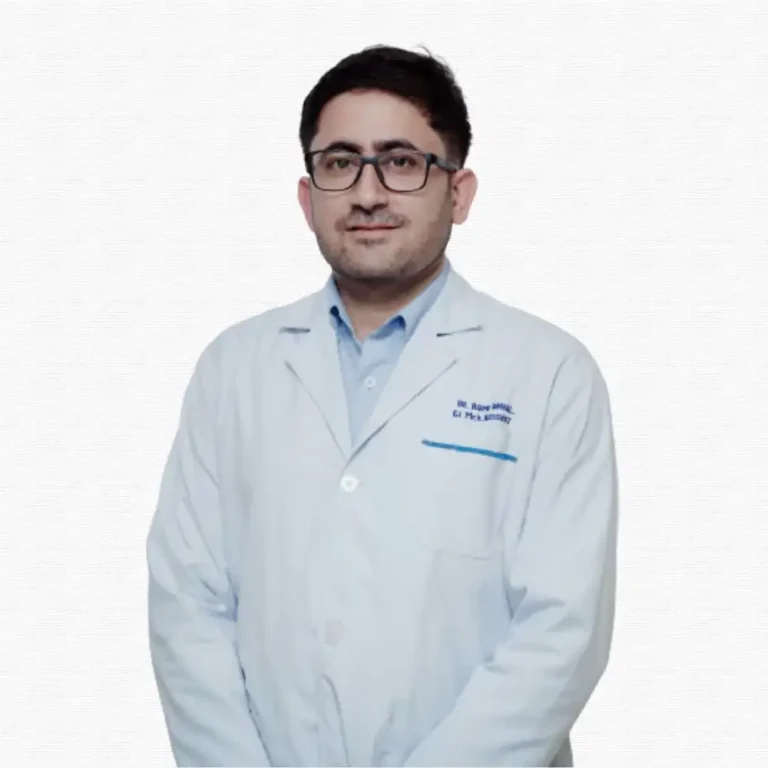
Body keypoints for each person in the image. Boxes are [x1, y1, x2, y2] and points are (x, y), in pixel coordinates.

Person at [146, 44, 619, 768]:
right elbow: (188, 605)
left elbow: (563, 631)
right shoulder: (234, 367)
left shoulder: (550, 373)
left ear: (459, 192)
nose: (368, 193)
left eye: (401, 161)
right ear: (307, 195)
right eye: (340, 162)